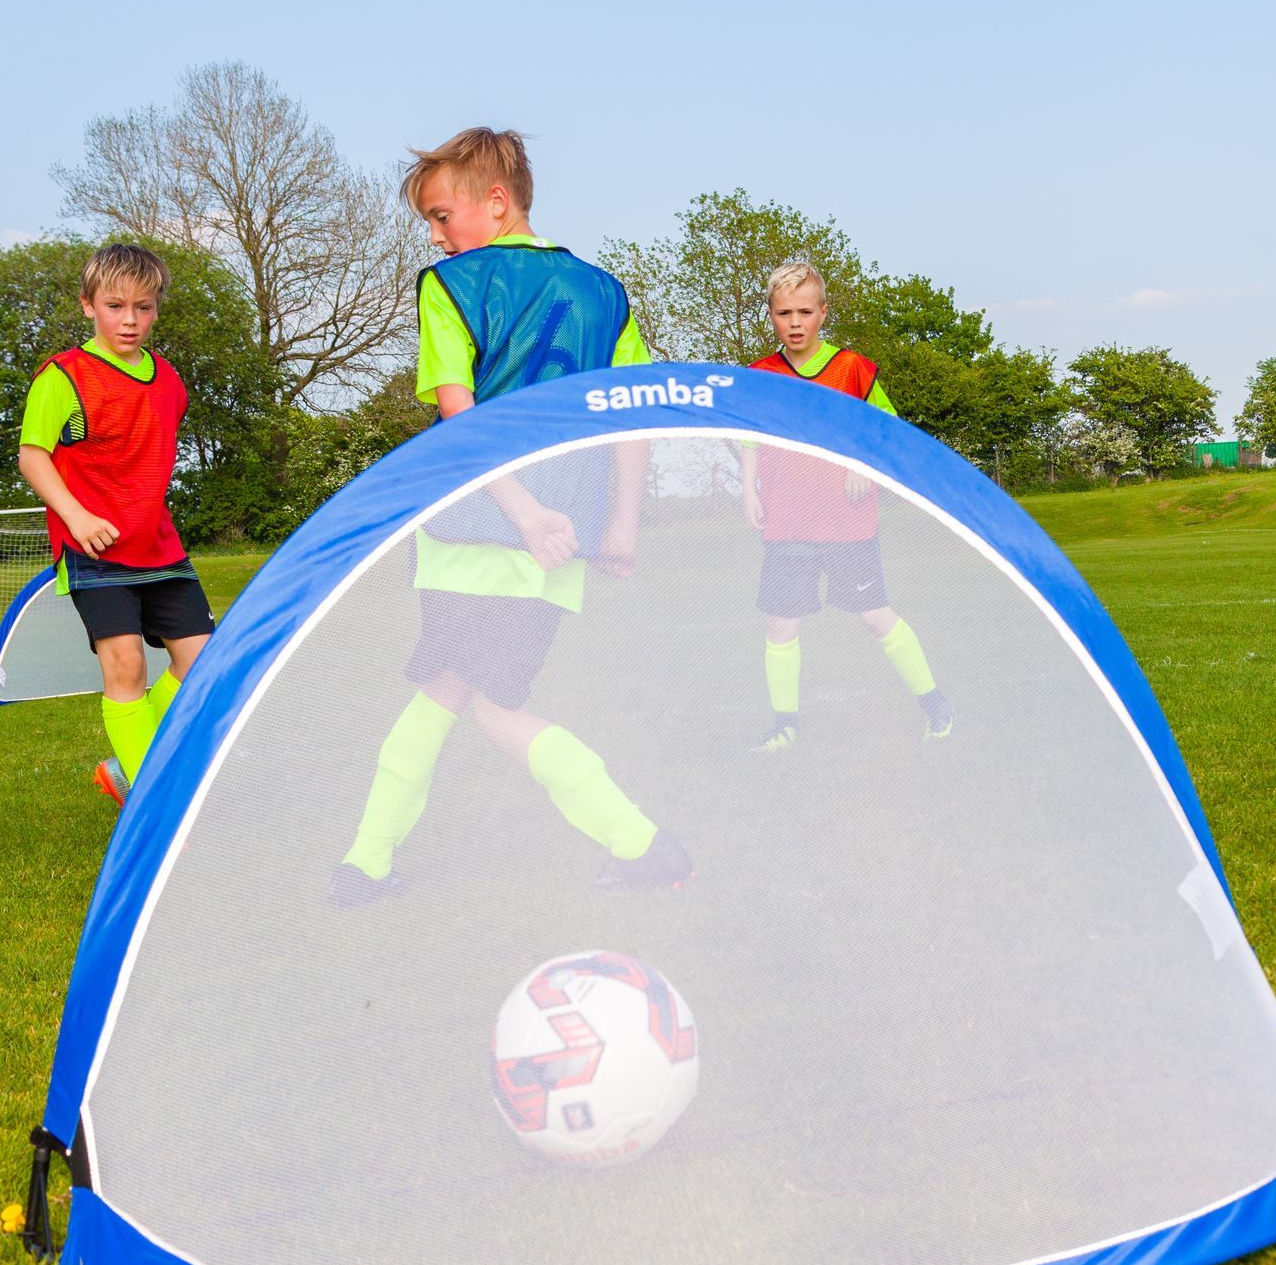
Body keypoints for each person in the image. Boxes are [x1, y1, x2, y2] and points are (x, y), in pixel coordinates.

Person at [331, 127, 692, 906]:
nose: (432, 235)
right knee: (449, 683)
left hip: (479, 532)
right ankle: (365, 864)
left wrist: (525, 513)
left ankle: (643, 842)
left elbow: (461, 417)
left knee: (484, 701)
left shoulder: (450, 285)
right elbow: (634, 421)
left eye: (439, 214)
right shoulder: (607, 293)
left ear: (497, 203)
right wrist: (619, 525)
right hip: (556, 543)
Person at [17, 243, 214, 807]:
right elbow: (34, 456)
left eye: (143, 307)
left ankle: (128, 769)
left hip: (159, 547)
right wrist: (76, 515)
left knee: (201, 663)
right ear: (87, 306)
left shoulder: (169, 380)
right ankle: (160, 803)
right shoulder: (63, 376)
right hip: (94, 552)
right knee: (125, 664)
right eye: (115, 305)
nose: (129, 320)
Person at [740, 261, 955, 752]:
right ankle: (785, 725)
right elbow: (748, 435)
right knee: (780, 624)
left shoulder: (853, 370)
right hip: (787, 522)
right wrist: (748, 487)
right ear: (771, 315)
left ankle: (934, 702)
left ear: (823, 313)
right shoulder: (760, 375)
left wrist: (864, 464)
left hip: (846, 524)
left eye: (805, 312)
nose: (795, 322)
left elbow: (888, 432)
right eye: (783, 312)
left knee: (875, 615)